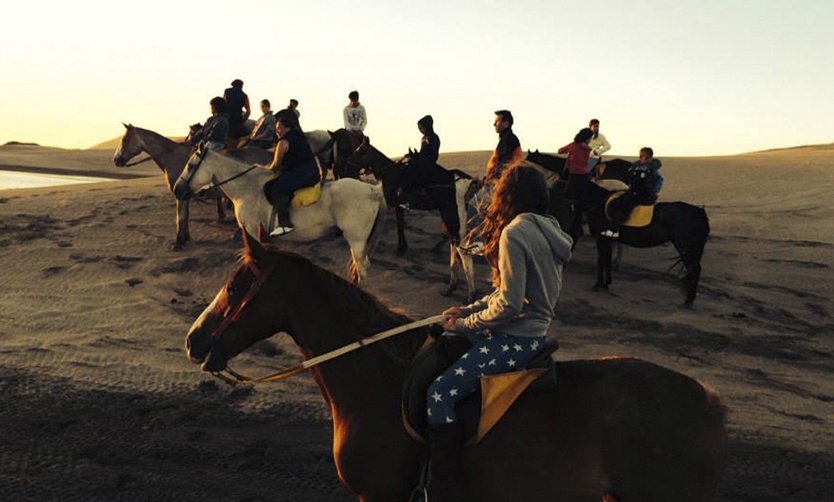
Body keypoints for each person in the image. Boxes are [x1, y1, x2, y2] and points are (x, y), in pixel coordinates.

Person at [418, 163, 573, 500]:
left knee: (439, 393)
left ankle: (442, 488)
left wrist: (463, 325)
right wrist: (470, 308)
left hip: (514, 339)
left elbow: (509, 304)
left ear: (508, 195)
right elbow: (508, 292)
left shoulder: (515, 232)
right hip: (533, 331)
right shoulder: (549, 228)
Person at [464, 110, 522, 252]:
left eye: (497, 121)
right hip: (499, 180)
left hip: (500, 182)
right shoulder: (507, 138)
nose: (494, 124)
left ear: (506, 123)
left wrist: (492, 180)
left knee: (474, 206)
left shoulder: (508, 139)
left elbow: (504, 164)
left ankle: (477, 244)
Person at [265, 109, 320, 236]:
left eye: (279, 128)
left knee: (277, 188)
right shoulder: (300, 137)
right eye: (276, 128)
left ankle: (285, 224)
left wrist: (263, 168)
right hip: (312, 172)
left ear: (286, 128)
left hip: (300, 172)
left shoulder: (283, 142)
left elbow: (275, 165)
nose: (277, 131)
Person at [601, 147, 664, 238]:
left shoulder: (653, 169)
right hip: (633, 192)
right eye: (641, 156)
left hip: (644, 195)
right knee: (617, 201)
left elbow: (659, 181)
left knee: (625, 205)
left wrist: (652, 192)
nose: (643, 159)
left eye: (646, 158)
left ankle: (615, 230)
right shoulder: (635, 167)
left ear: (650, 158)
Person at [557, 127, 594, 201]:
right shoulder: (588, 149)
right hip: (585, 174)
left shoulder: (573, 145)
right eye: (590, 138)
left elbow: (560, 151)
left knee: (566, 195)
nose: (590, 140)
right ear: (586, 139)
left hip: (573, 174)